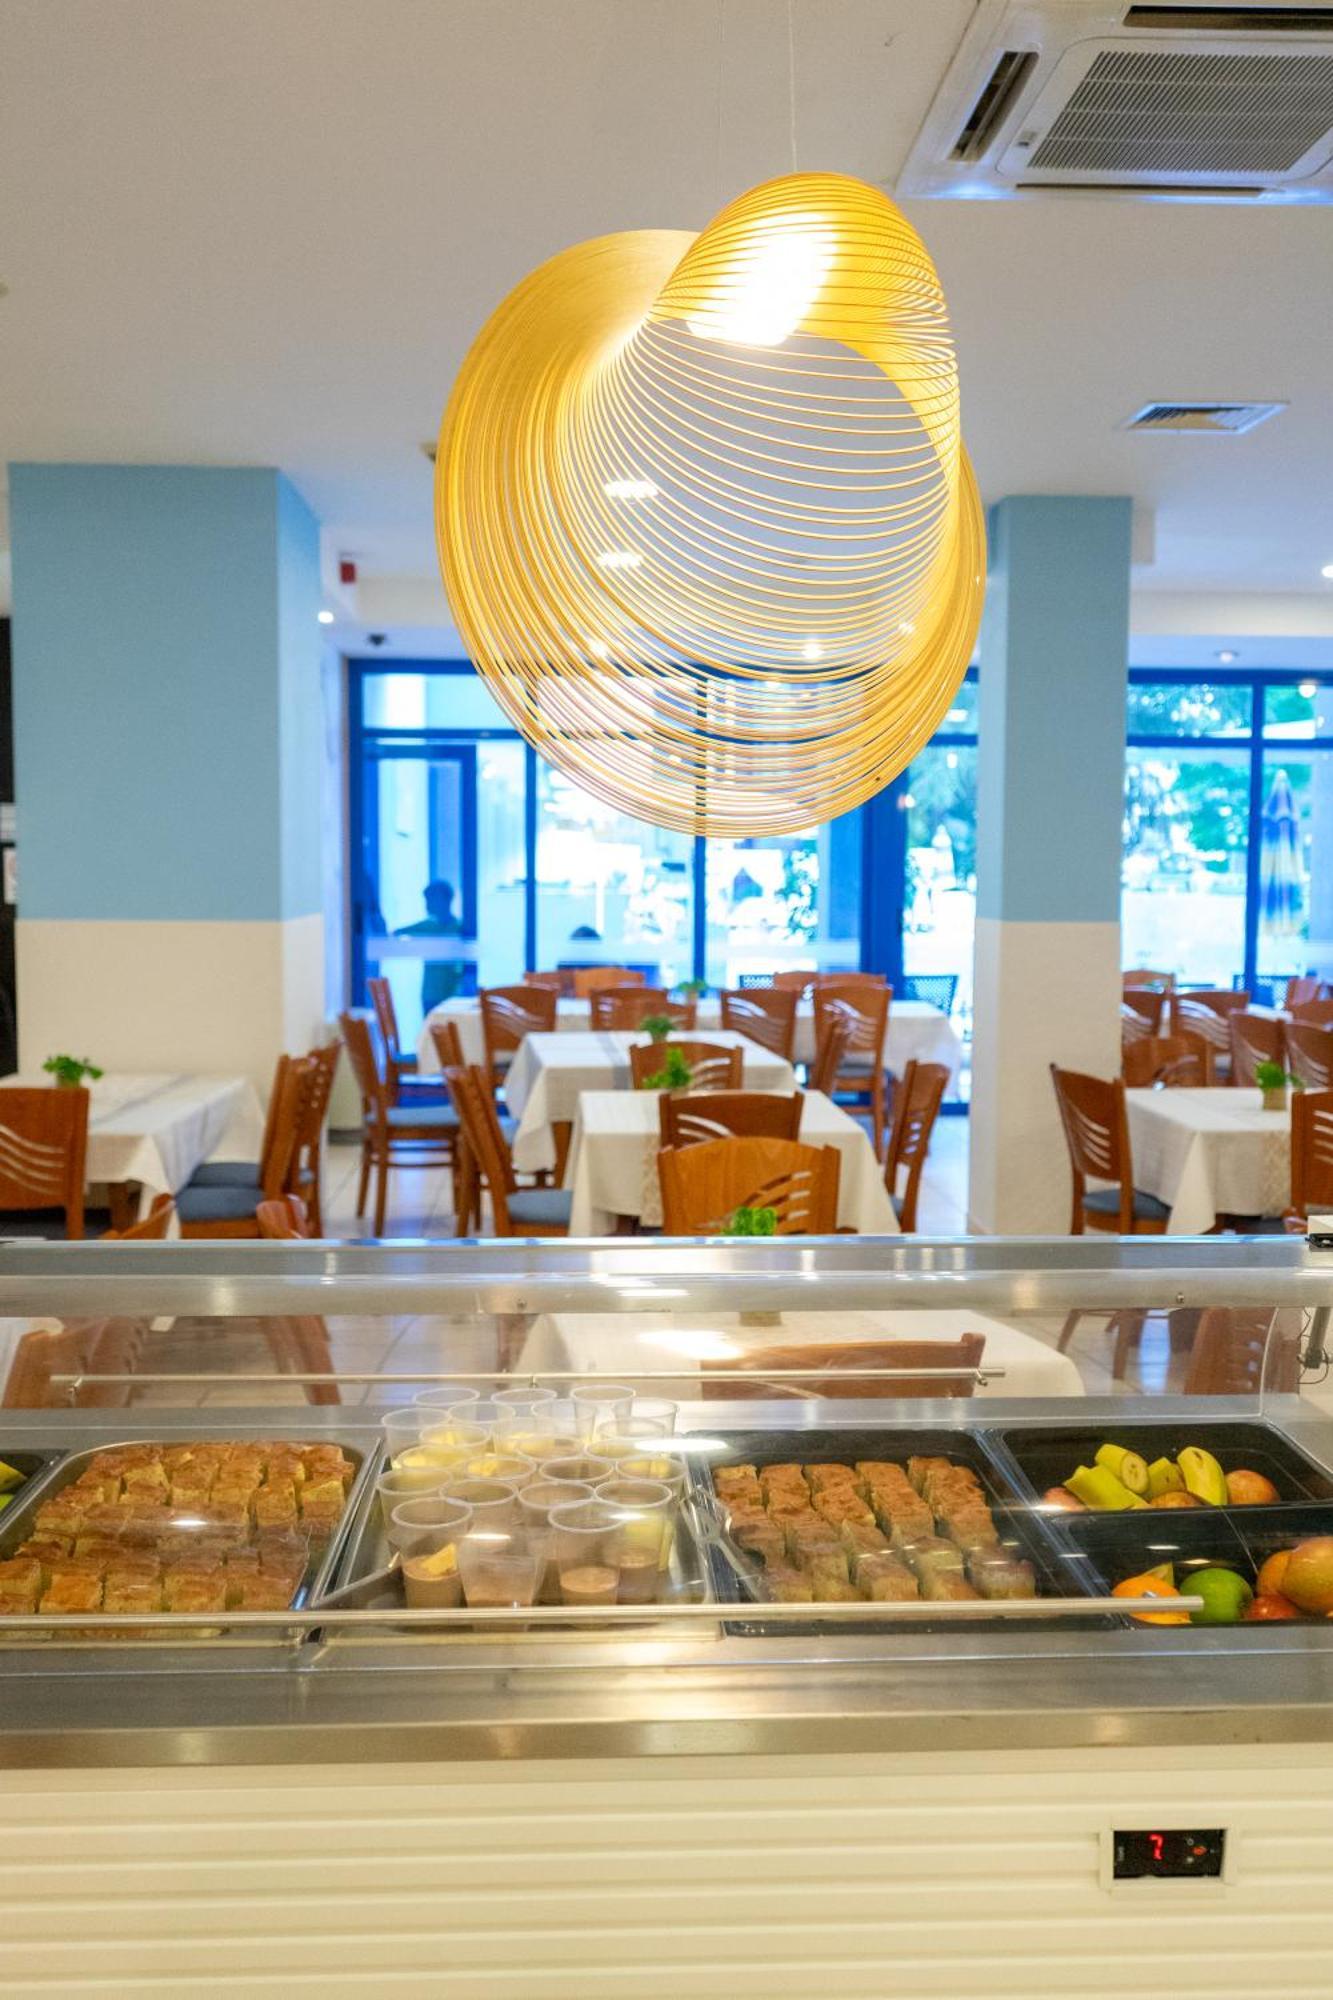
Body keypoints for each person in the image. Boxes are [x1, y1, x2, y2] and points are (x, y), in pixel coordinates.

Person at [396, 880, 466, 1015]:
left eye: (430, 900)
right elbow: (397, 933)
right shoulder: (427, 926)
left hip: (452, 991)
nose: (427, 905)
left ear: (445, 900)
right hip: (430, 993)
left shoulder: (459, 928)